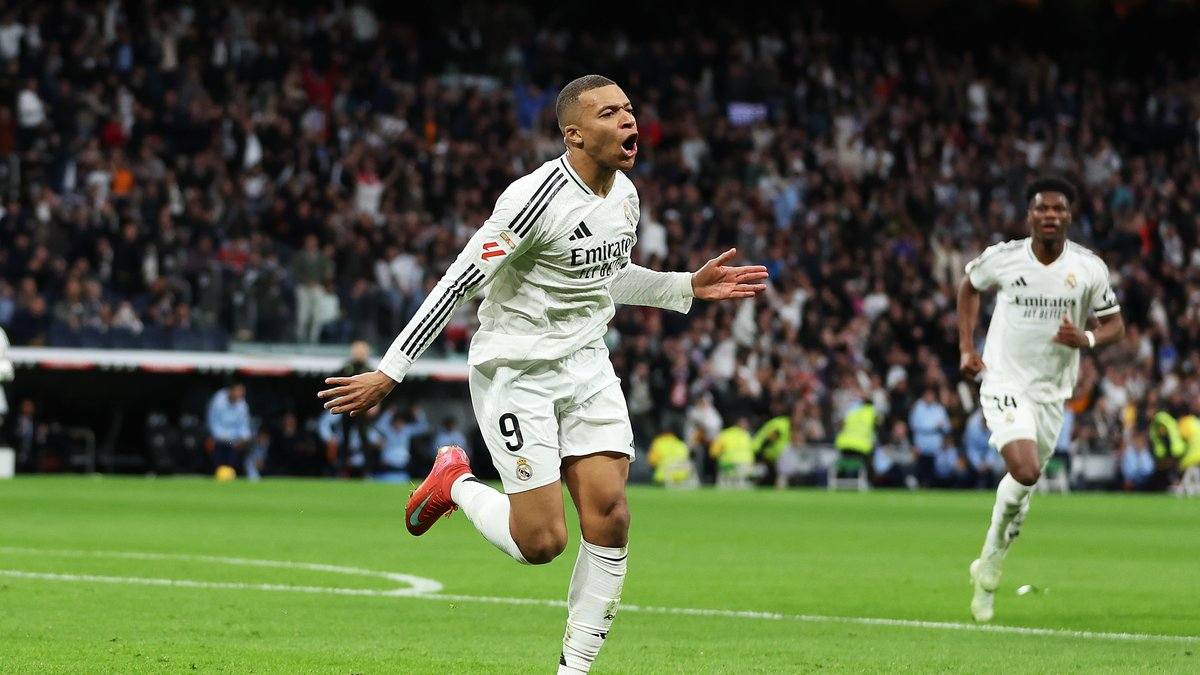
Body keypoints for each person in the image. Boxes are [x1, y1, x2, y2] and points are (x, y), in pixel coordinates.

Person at [318, 75, 767, 674]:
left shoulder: (625, 197)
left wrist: (683, 285)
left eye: (630, 110)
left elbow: (605, 275)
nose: (629, 121)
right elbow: (459, 281)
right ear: (575, 134)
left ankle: (572, 671)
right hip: (517, 370)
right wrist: (391, 371)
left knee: (610, 515)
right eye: (611, 114)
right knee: (542, 542)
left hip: (586, 364)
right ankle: (453, 483)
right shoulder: (533, 201)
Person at [958, 176, 1124, 623]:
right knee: (1026, 467)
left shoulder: (1089, 268)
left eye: (1058, 209)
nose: (1050, 215)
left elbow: (1115, 325)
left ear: (1069, 216)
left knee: (1023, 489)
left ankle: (990, 559)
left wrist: (1086, 337)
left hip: (1054, 392)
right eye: (1042, 209)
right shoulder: (1005, 258)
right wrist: (967, 349)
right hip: (1004, 380)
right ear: (1030, 216)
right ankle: (990, 568)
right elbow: (969, 286)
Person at [205, 383, 253, 475]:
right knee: (213, 445)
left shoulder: (242, 405)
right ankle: (214, 471)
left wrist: (244, 439)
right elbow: (212, 422)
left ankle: (237, 472)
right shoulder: (218, 400)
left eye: (242, 393)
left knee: (245, 445)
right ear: (231, 391)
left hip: (234, 441)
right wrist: (221, 438)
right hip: (218, 439)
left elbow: (244, 426)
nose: (239, 395)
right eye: (238, 391)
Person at [372, 405, 430, 482]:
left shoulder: (407, 430)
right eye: (397, 422)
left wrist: (419, 414)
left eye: (401, 422)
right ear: (393, 422)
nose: (399, 424)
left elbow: (424, 427)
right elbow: (378, 425)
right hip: (387, 470)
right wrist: (388, 413)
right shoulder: (388, 431)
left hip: (402, 471)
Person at [908, 387, 950, 487]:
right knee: (921, 467)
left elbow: (947, 427)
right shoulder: (917, 408)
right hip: (921, 442)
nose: (930, 398)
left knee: (935, 469)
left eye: (931, 395)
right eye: (928, 395)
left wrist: (942, 426)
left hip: (935, 444)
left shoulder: (939, 409)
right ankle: (921, 485)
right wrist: (934, 426)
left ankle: (933, 486)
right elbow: (914, 426)